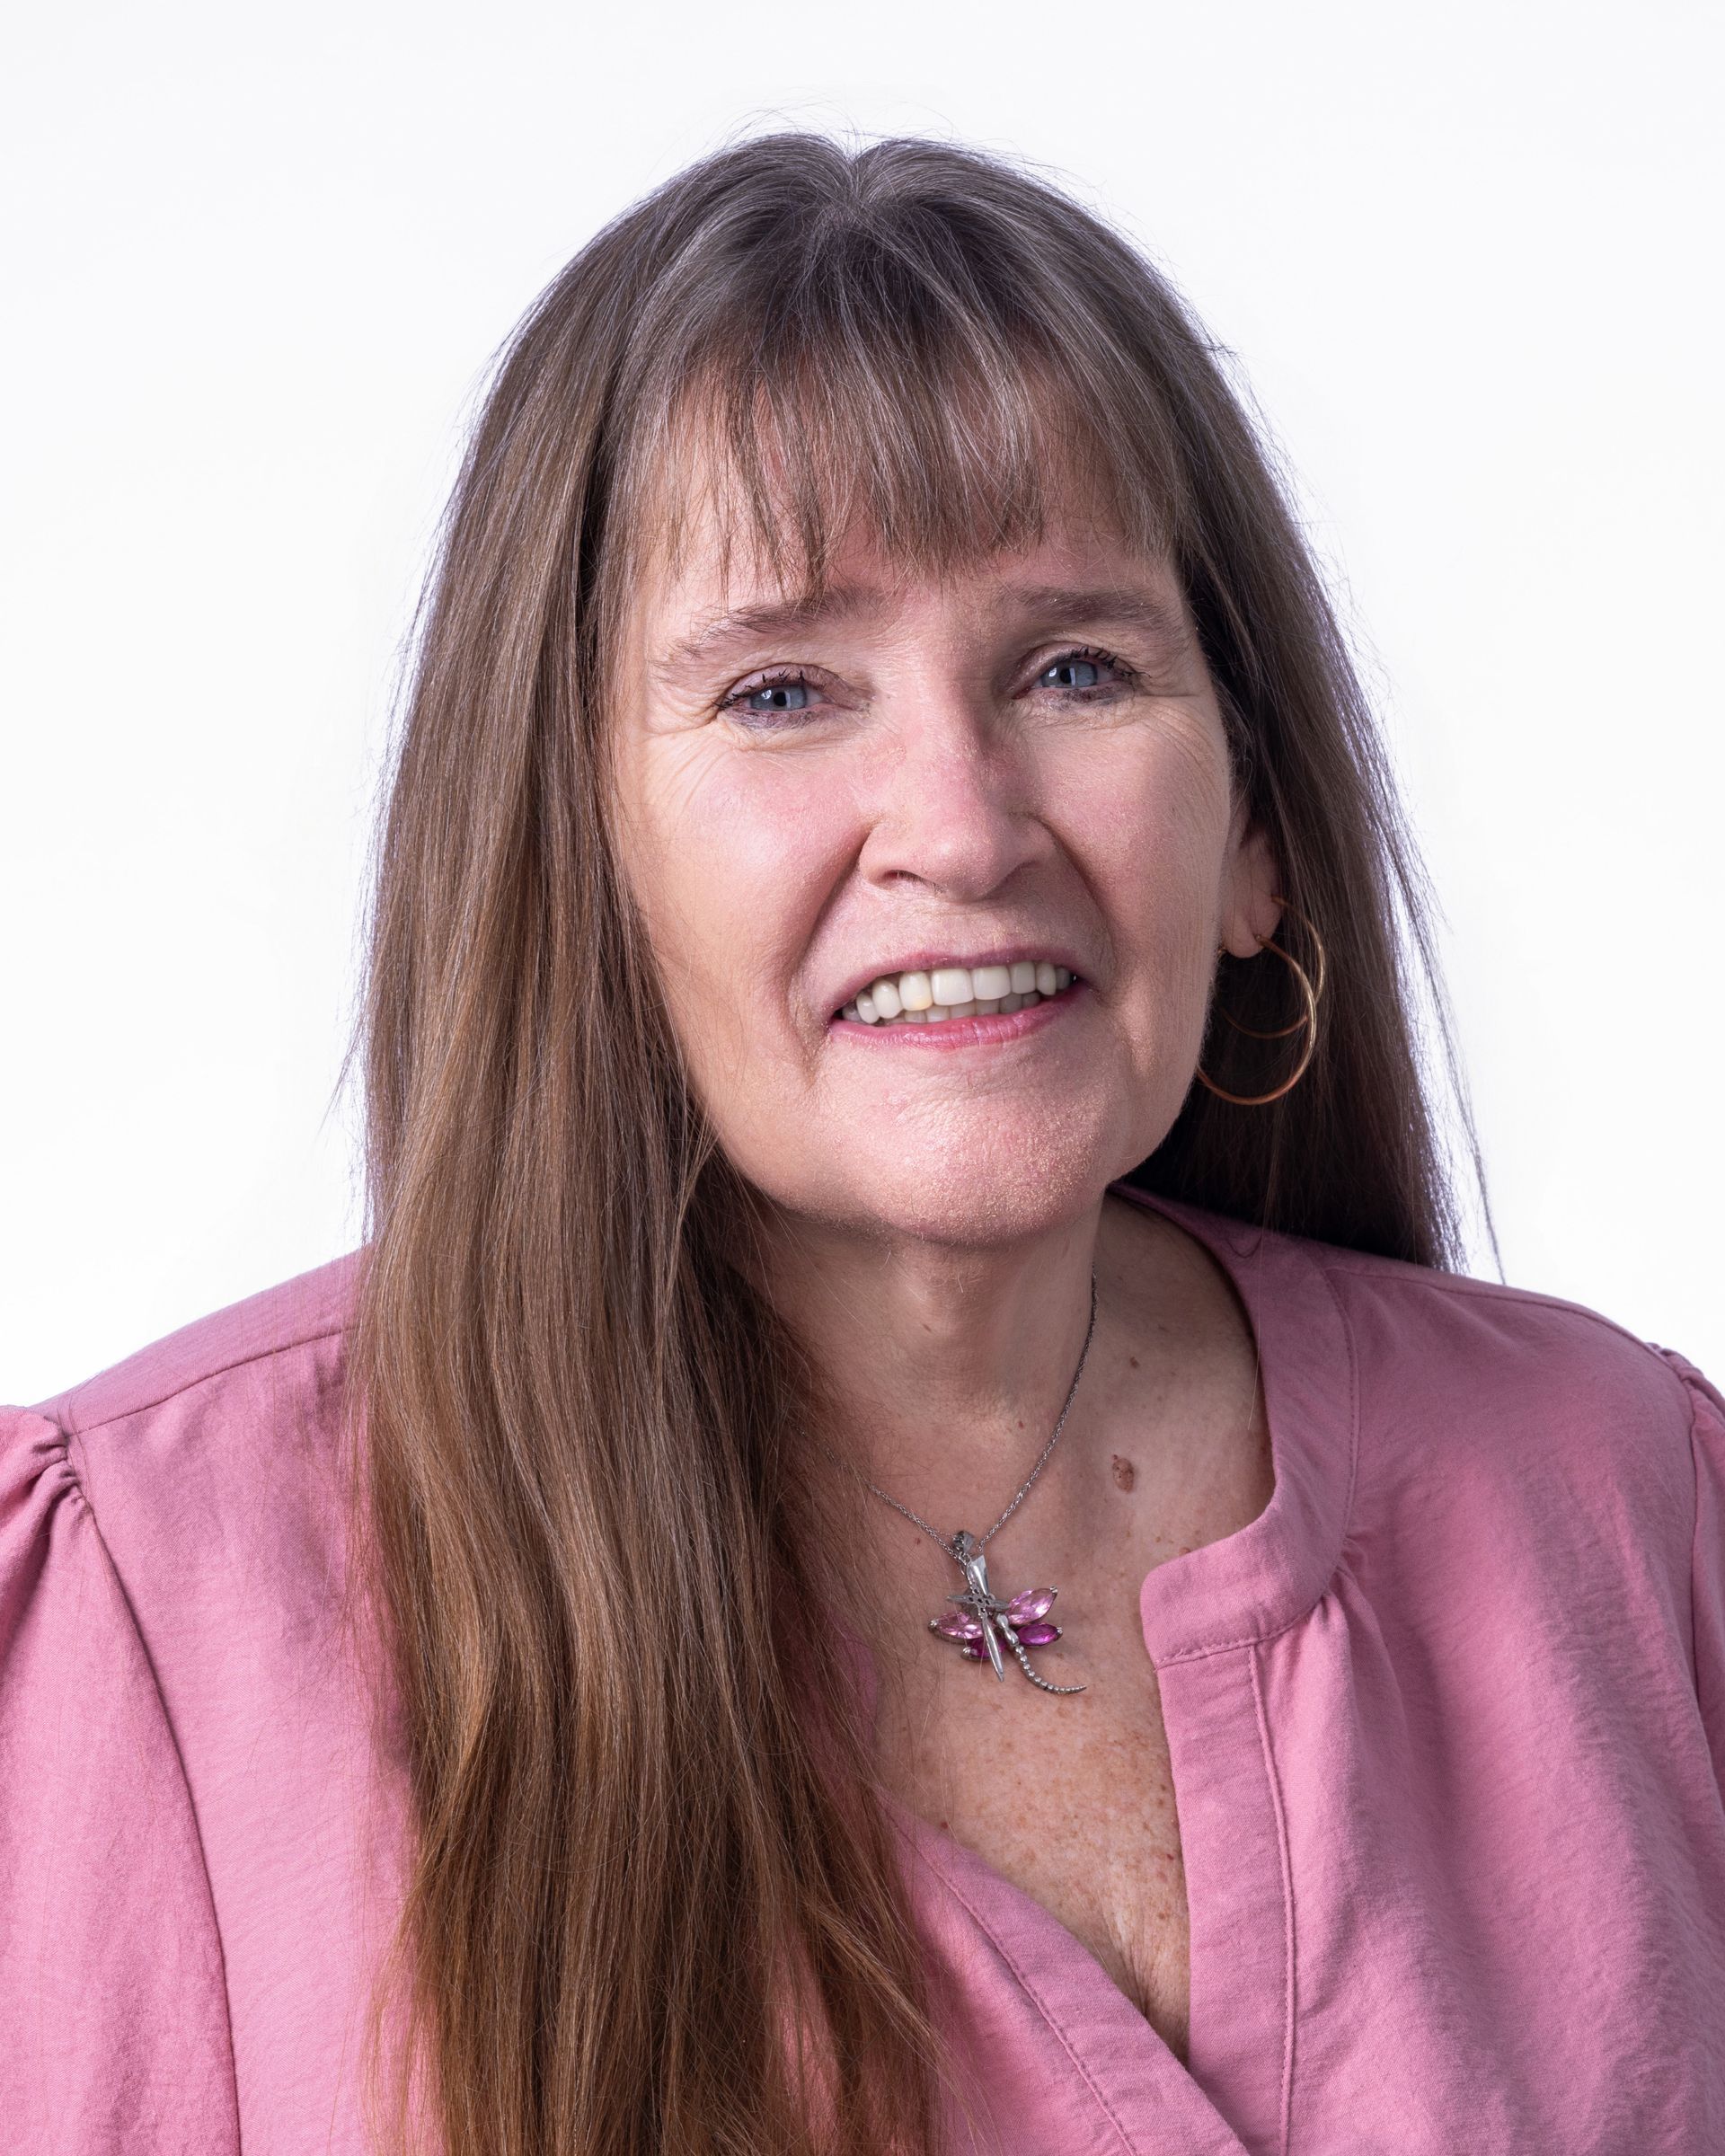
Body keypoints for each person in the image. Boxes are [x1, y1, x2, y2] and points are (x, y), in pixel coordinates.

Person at [2, 130, 1721, 2156]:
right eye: (783, 692)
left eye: (1076, 669)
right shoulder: (145, 1629)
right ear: (576, 856)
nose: (964, 827)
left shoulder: (1625, 1503)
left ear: (1255, 830)